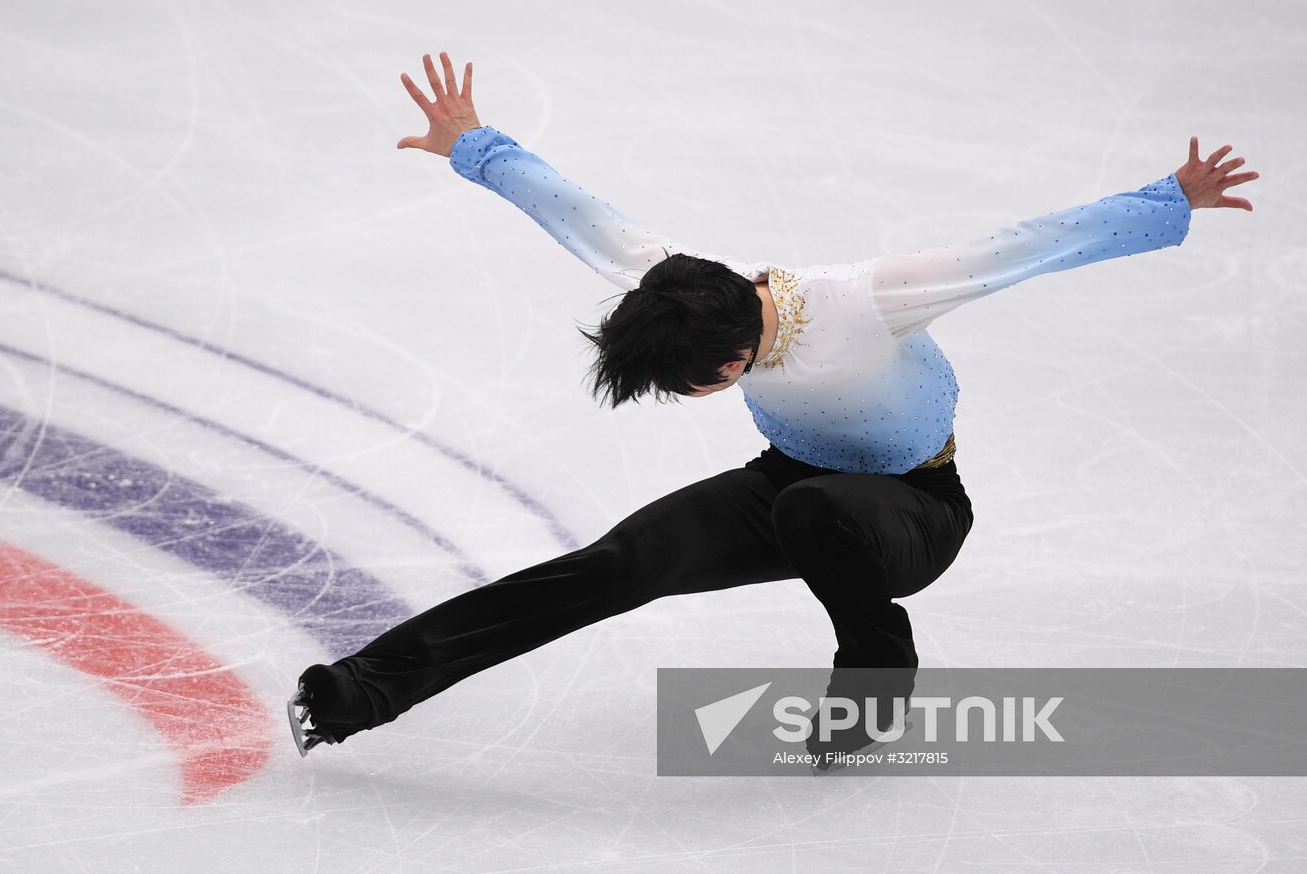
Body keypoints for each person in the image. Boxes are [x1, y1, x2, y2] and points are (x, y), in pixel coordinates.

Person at [286, 51, 1258, 755]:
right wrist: (475, 145)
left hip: (912, 508)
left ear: (738, 354)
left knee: (812, 509)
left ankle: (874, 673)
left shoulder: (870, 300)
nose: (701, 394)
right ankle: (363, 689)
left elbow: (1018, 248)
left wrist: (1164, 197)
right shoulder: (675, 287)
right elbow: (567, 207)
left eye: (702, 383)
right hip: (786, 481)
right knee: (618, 561)